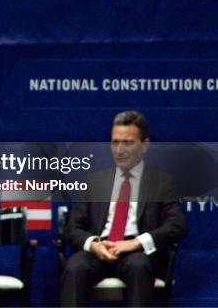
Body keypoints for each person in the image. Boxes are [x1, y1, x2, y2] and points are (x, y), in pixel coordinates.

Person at [61, 110, 187, 306]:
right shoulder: (94, 182)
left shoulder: (162, 182)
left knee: (139, 266)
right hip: (100, 250)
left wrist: (136, 243)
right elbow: (72, 227)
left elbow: (177, 225)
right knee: (74, 266)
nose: (119, 150)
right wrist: (94, 245)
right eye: (115, 142)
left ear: (144, 145)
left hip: (137, 253)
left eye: (127, 143)